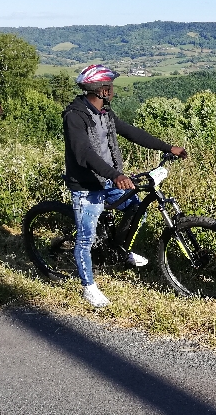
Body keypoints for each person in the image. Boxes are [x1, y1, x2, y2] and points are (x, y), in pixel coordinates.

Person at [64, 64, 187, 308]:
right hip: (87, 185)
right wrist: (115, 175)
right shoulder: (75, 116)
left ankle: (119, 249)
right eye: (110, 87)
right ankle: (89, 286)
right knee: (85, 239)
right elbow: (83, 153)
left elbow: (132, 132)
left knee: (135, 209)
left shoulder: (105, 114)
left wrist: (167, 147)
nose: (113, 90)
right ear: (101, 90)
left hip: (107, 180)